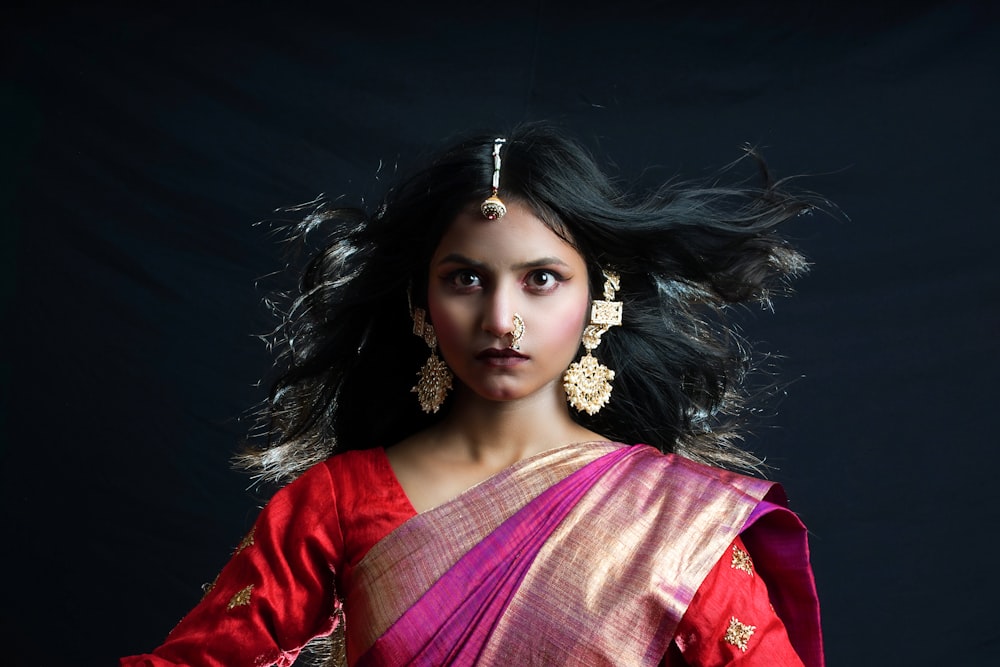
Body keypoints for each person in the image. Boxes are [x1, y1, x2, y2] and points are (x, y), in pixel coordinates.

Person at [121, 123, 825, 666]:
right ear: (421, 302)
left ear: (598, 298)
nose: (499, 319)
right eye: (465, 278)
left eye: (541, 278)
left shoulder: (675, 519)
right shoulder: (339, 501)